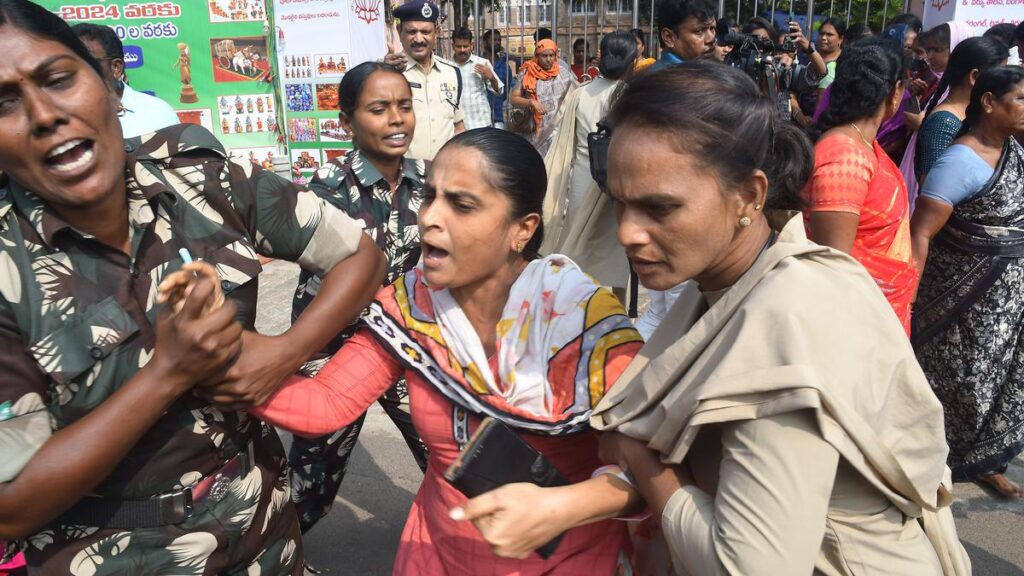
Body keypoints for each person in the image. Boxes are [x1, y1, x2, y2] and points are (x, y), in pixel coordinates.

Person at [0, 1, 385, 572]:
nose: (44, 114)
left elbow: (361, 255)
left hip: (266, 534)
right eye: (4, 102)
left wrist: (285, 352)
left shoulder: (197, 174)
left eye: (59, 79)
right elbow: (10, 507)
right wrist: (167, 373)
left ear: (108, 85)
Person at [590, 62, 970, 576]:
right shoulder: (735, 279)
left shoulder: (784, 323)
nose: (628, 233)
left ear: (749, 195)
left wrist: (642, 460)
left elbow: (746, 568)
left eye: (659, 209)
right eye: (619, 204)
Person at [249, 129, 645, 574]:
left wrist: (566, 506)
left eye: (461, 204)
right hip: (433, 551)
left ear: (523, 229)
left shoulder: (583, 325)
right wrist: (216, 357)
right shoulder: (412, 303)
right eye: (429, 197)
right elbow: (326, 403)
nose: (430, 218)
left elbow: (652, 476)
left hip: (568, 561)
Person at [287, 62, 431, 535]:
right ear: (347, 122)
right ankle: (280, 557)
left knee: (450, 456)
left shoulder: (429, 182)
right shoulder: (327, 191)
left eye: (404, 107)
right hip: (335, 356)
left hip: (404, 349)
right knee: (310, 483)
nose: (396, 119)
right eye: (378, 109)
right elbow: (337, 280)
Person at [910, 66, 1024, 499]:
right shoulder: (959, 161)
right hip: (959, 305)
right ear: (989, 101)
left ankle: (983, 461)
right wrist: (911, 301)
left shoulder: (1014, 151)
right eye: (1021, 98)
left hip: (1007, 304)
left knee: (998, 379)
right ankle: (933, 468)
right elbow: (922, 233)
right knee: (960, 382)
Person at [805, 39, 917, 334]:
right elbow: (833, 265)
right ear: (895, 92)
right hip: (854, 322)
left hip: (877, 311)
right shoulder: (846, 158)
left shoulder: (863, 144)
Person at [543, 31, 636, 296]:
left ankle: (580, 304)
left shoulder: (581, 93)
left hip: (583, 180)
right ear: (632, 61)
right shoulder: (626, 95)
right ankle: (616, 312)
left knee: (581, 248)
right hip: (614, 183)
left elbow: (567, 145)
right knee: (615, 253)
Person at [898, 21, 977, 208]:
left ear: (957, 49)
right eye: (928, 49)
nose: (929, 56)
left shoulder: (963, 89)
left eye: (936, 49)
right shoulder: (935, 80)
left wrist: (923, 124)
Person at [915, 37, 1008, 183]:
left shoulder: (973, 114)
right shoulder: (943, 123)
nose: (1005, 84)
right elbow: (933, 189)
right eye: (1001, 76)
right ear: (975, 77)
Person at [384, 0, 465, 160]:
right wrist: (383, 72)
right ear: (399, 31)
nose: (419, 39)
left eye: (425, 32)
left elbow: (458, 126)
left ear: (437, 32)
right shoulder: (386, 73)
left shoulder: (452, 74)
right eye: (412, 31)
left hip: (444, 174)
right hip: (403, 178)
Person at [72, 23, 179, 138]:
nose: (76, 71)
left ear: (116, 67)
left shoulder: (157, 113)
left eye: (87, 61)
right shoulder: (64, 119)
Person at [509, 39, 575, 156]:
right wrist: (531, 102)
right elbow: (514, 98)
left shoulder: (564, 74)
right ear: (537, 55)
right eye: (544, 56)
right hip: (533, 132)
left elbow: (575, 95)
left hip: (557, 131)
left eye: (551, 55)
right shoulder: (527, 73)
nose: (548, 59)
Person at [452, 27, 503, 130]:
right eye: (459, 46)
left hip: (481, 124)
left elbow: (499, 91)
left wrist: (491, 77)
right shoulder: (447, 66)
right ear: (453, 46)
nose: (462, 50)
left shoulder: (482, 63)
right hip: (458, 127)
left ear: (472, 45)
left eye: (465, 46)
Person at [647, 0, 716, 71]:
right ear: (669, 37)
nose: (711, 38)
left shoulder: (700, 72)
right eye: (699, 31)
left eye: (712, 28)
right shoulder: (663, 79)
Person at [482, 29, 516, 129]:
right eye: (494, 40)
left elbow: (504, 94)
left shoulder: (505, 68)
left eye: (499, 40)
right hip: (479, 119)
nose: (497, 42)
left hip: (498, 118)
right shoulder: (477, 63)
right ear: (485, 43)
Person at [816, 17, 846, 92]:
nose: (823, 38)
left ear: (841, 39)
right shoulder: (811, 56)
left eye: (829, 35)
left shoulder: (843, 61)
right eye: (821, 34)